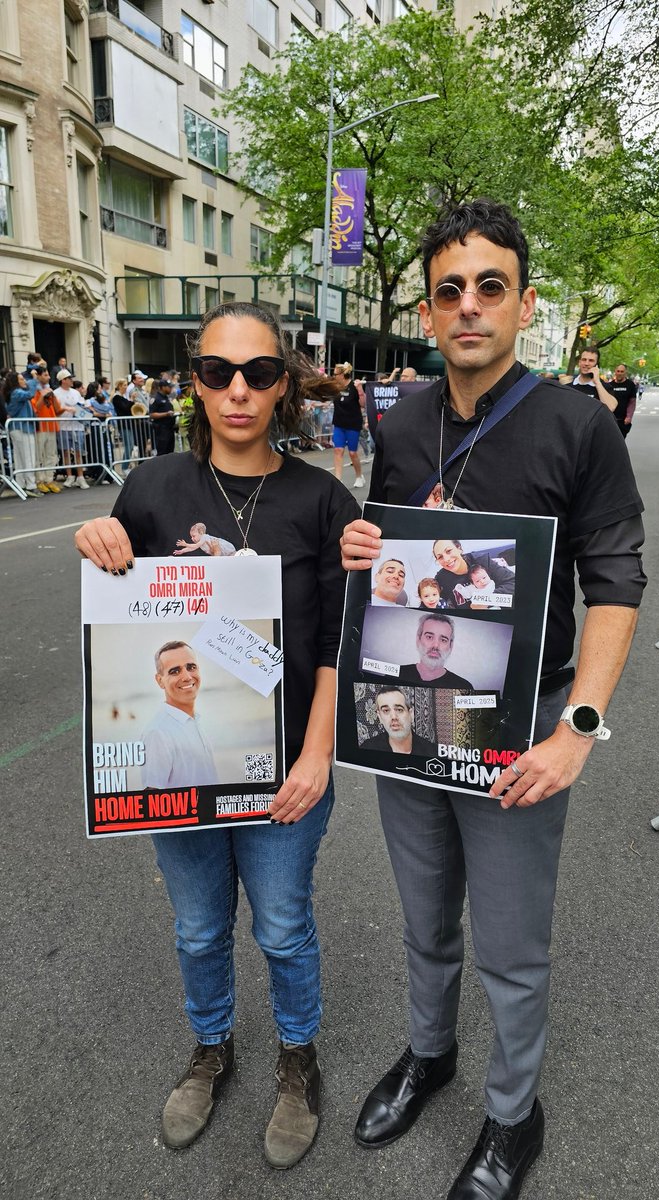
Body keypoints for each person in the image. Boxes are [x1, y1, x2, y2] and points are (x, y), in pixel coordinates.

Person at [340, 199, 645, 1200]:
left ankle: (514, 1114)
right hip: (410, 713)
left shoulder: (576, 423)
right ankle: (430, 1057)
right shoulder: (404, 418)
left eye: (489, 287)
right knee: (424, 918)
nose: (467, 306)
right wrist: (364, 550)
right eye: (448, 291)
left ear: (522, 304)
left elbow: (615, 582)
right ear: (428, 315)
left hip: (522, 729)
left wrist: (578, 732)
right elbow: (390, 547)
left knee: (510, 947)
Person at [74, 300, 360, 1170]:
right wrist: (98, 541)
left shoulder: (322, 499)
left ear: (288, 384)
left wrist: (317, 756)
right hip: (181, 776)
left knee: (280, 925)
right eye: (216, 372)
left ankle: (297, 1060)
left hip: (285, 773)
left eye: (260, 373)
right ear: (193, 381)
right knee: (199, 929)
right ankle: (213, 1047)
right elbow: (120, 612)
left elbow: (332, 650)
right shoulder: (154, 488)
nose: (237, 390)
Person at [142, 642, 218, 789]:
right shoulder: (158, 733)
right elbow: (151, 800)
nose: (187, 677)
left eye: (191, 667)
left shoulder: (195, 720)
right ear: (160, 681)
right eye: (175, 671)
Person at [433, 539, 515, 609]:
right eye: (440, 557)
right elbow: (431, 599)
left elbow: (513, 582)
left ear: (459, 548)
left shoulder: (482, 560)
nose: (446, 559)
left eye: (448, 551)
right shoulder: (441, 579)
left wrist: (487, 600)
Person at [398, 614, 473, 689]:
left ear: (451, 646)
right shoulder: (397, 673)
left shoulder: (464, 687)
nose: (436, 645)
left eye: (443, 640)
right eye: (429, 637)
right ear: (418, 640)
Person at [1, 371, 43, 497]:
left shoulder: (14, 393)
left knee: (20, 458)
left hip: (17, 428)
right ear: (16, 382)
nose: (24, 381)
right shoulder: (17, 393)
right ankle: (30, 485)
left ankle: (21, 484)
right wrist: (35, 379)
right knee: (28, 456)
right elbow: (30, 394)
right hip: (22, 428)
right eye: (21, 379)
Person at [361, 688, 437, 756]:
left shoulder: (432, 752)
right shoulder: (367, 748)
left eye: (399, 710)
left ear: (411, 714)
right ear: (380, 717)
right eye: (386, 710)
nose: (393, 717)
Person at [53, 369, 89, 489]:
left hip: (77, 426)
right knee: (66, 452)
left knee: (79, 452)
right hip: (63, 425)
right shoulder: (56, 393)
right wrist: (66, 409)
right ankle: (69, 476)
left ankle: (80, 477)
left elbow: (81, 406)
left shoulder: (75, 393)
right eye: (69, 378)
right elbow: (56, 410)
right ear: (63, 380)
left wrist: (78, 411)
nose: (71, 380)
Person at [332, 362, 365, 489]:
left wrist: (360, 390)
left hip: (352, 424)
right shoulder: (335, 386)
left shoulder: (354, 386)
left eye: (336, 374)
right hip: (339, 424)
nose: (334, 376)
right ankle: (338, 479)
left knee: (352, 453)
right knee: (338, 450)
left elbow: (362, 404)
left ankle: (359, 476)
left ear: (343, 374)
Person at [31, 365, 63, 493]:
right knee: (40, 455)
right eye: (45, 375)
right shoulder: (34, 390)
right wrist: (42, 396)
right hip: (40, 427)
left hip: (51, 425)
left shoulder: (49, 390)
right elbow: (36, 409)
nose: (48, 377)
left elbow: (57, 409)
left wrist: (52, 396)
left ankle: (49, 479)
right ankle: (40, 480)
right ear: (38, 376)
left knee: (51, 455)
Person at [570, 347, 617, 412]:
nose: (586, 363)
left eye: (591, 360)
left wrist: (597, 382)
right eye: (584, 359)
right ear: (579, 362)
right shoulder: (568, 386)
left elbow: (611, 408)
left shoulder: (604, 387)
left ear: (597, 365)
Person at [607, 363, 638, 439]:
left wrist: (629, 416)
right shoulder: (609, 385)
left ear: (625, 372)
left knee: (619, 442)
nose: (619, 373)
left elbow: (632, 402)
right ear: (615, 372)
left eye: (622, 371)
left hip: (623, 421)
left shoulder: (630, 385)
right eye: (618, 371)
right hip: (610, 420)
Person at [149, 378, 177, 455]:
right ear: (163, 387)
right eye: (169, 387)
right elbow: (152, 415)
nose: (171, 389)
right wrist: (166, 414)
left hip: (170, 429)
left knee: (170, 452)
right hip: (161, 430)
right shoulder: (156, 398)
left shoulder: (166, 397)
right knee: (162, 452)